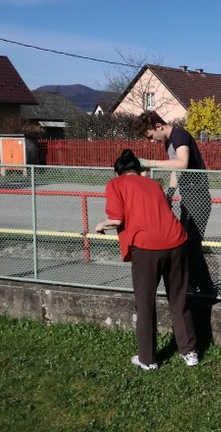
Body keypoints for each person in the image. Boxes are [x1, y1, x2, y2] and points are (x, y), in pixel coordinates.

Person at [95, 149, 199, 369]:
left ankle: (148, 359)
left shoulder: (115, 184)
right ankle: (189, 352)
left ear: (117, 173)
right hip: (176, 241)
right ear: (139, 169)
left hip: (146, 247)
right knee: (179, 298)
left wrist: (100, 225)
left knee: (144, 302)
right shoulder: (152, 184)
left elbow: (116, 219)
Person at [133, 111, 213, 295]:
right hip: (188, 197)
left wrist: (150, 163)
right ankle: (194, 287)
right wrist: (168, 195)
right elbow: (176, 170)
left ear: (159, 126)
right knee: (185, 244)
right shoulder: (169, 142)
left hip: (198, 197)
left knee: (191, 245)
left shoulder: (179, 136)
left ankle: (204, 290)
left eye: (151, 136)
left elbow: (182, 163)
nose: (151, 141)